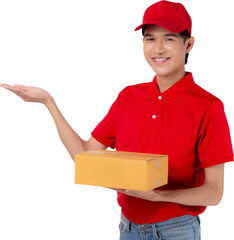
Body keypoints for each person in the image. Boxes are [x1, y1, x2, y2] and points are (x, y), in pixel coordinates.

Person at [1, 1, 233, 239]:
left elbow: (214, 192)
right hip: (127, 228)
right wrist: (49, 102)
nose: (158, 49)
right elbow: (85, 156)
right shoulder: (129, 97)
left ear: (189, 44)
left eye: (169, 38)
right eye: (150, 39)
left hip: (177, 230)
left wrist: (158, 196)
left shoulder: (208, 107)